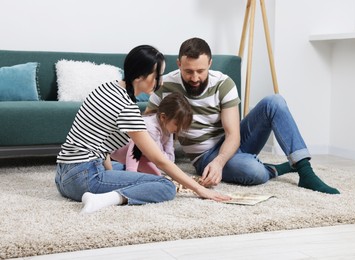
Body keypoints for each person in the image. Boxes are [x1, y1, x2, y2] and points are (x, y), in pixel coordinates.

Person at [146, 37, 340, 194]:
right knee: (253, 172)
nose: (195, 78)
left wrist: (220, 162)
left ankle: (305, 171)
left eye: (200, 71)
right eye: (188, 71)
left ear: (210, 64)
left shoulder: (223, 83)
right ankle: (274, 169)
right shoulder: (165, 86)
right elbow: (147, 124)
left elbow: (233, 135)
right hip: (203, 155)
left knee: (275, 102)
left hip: (232, 143)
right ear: (179, 64)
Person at [55, 45, 231, 214]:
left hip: (63, 177)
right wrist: (200, 190)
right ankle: (107, 198)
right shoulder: (127, 108)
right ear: (140, 76)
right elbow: (160, 160)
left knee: (127, 168)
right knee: (165, 186)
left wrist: (111, 175)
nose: (160, 82)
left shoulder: (106, 88)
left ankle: (106, 189)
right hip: (84, 179)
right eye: (157, 76)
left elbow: (103, 147)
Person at [110, 92, 193, 175]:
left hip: (142, 155)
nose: (179, 129)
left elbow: (169, 159)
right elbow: (158, 156)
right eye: (177, 124)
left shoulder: (168, 129)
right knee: (138, 142)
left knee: (157, 176)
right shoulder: (150, 127)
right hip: (118, 150)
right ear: (163, 117)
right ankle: (130, 173)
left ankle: (127, 171)